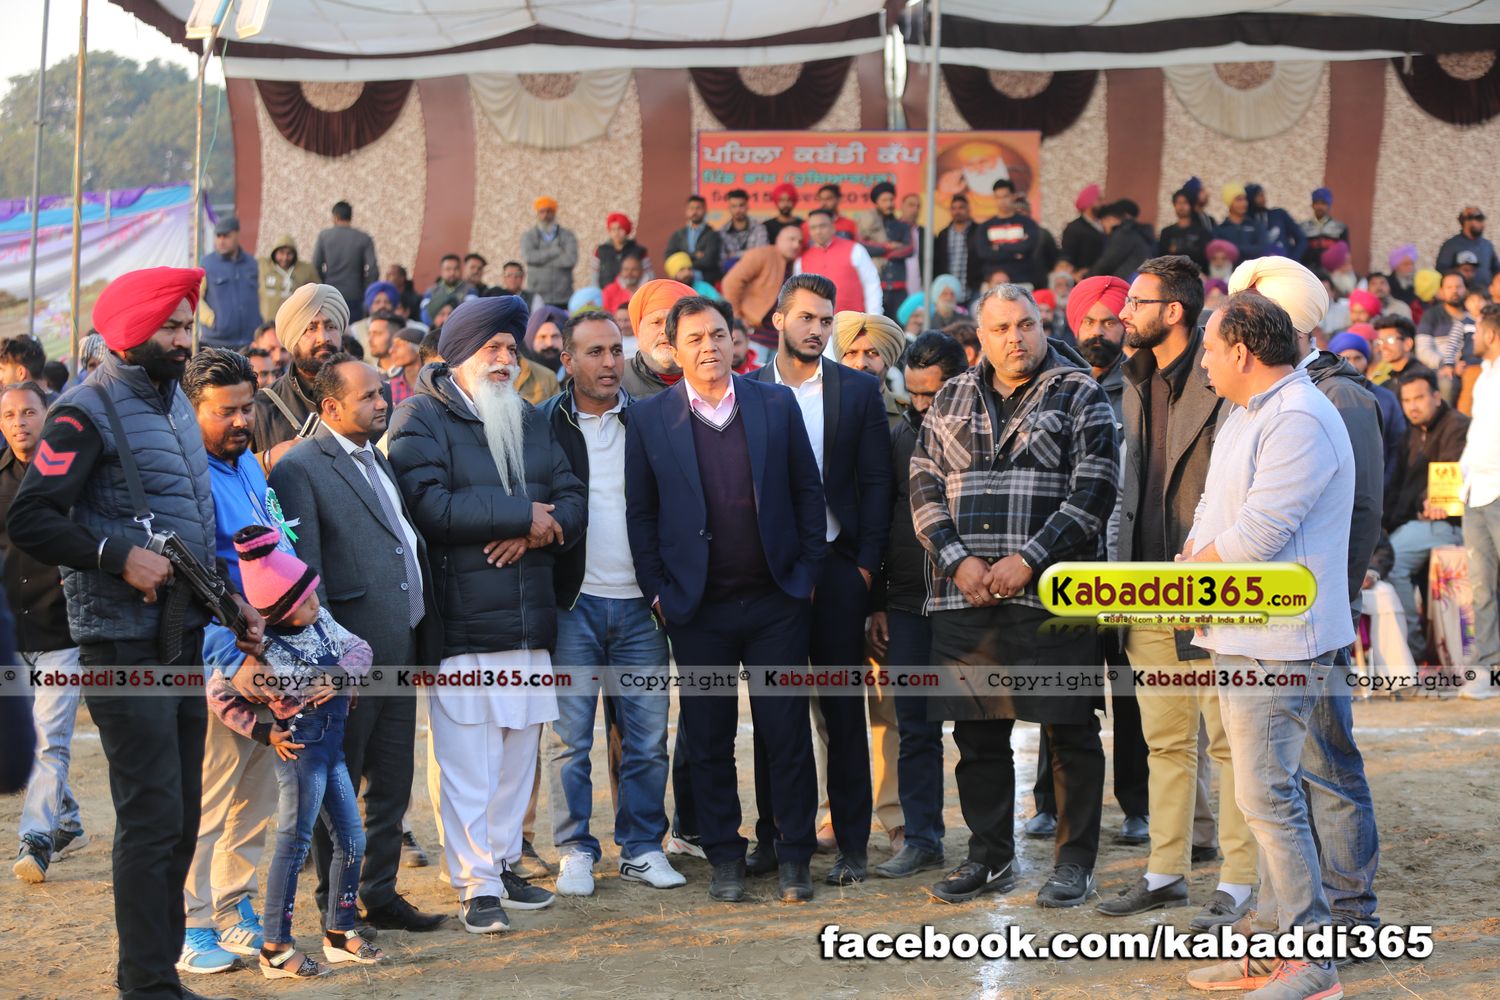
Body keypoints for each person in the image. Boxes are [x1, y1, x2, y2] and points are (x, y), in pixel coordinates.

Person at [6, 266, 266, 1000]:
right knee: (152, 818)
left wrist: (232, 604)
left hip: (179, 637)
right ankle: (146, 986)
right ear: (131, 331)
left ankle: (157, 976)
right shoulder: (82, 411)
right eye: (171, 327)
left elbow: (188, 529)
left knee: (178, 819)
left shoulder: (176, 404)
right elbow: (31, 517)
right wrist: (115, 555)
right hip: (120, 643)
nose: (185, 340)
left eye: (189, 326)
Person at [911, 284, 1118, 908]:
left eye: (1025, 324)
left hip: (1053, 598)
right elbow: (922, 488)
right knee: (977, 738)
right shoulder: (950, 396)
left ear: (1042, 325)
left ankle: (1073, 863)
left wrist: (1028, 560)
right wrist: (958, 561)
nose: (1015, 338)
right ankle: (989, 857)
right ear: (981, 336)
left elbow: (1095, 490)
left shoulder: (1079, 392)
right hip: (965, 598)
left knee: (1069, 733)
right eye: (1001, 328)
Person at [387, 296, 587, 932]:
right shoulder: (420, 416)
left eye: (510, 349)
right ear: (458, 356)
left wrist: (534, 531)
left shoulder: (528, 417)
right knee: (469, 763)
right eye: (491, 349)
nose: (504, 360)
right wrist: (523, 516)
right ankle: (475, 885)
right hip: (463, 624)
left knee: (516, 759)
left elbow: (573, 499)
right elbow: (429, 506)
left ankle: (501, 865)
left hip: (528, 621)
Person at [625, 295, 826, 904]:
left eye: (717, 334)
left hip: (776, 604)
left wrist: (806, 574)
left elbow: (807, 492)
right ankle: (725, 858)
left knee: (785, 732)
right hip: (698, 612)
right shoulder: (649, 417)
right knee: (709, 738)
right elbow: (641, 514)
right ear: (673, 349)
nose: (709, 347)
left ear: (734, 340)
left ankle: (793, 855)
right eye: (695, 338)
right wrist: (660, 593)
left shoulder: (774, 403)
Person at [1182, 290, 1353, 1000]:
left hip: (1281, 640)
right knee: (1259, 795)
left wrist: (1186, 576)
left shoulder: (1299, 417)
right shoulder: (1250, 412)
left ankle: (1312, 963)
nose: (1203, 362)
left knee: (1269, 797)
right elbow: (1213, 509)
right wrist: (1191, 563)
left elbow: (1259, 536)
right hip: (1242, 631)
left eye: (1210, 349)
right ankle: (1269, 946)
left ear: (1242, 352)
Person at [1229, 256, 1386, 946]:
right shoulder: (1274, 394)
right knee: (1284, 776)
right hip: (1271, 618)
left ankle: (1349, 913)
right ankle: (1300, 914)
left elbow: (1362, 510)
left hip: (1309, 620)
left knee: (1327, 765)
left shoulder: (1337, 397)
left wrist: (1328, 612)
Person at [1099, 256, 1257, 928]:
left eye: (1136, 302)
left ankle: (1240, 882)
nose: (1123, 312)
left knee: (1230, 746)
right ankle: (1166, 873)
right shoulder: (1132, 379)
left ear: (1174, 311)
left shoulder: (1224, 378)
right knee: (1163, 743)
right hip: (1145, 587)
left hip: (1211, 589)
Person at [268, 354, 447, 935]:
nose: (382, 402)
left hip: (398, 648)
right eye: (368, 396)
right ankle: (336, 906)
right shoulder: (299, 468)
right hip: (346, 661)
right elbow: (305, 576)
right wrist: (329, 660)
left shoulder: (377, 457)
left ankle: (380, 894)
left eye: (383, 392)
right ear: (330, 406)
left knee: (391, 784)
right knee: (338, 784)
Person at [748, 275, 893, 885]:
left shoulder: (857, 390)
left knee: (842, 712)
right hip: (768, 577)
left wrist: (864, 570)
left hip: (838, 571)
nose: (816, 329)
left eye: (825, 319)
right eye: (806, 317)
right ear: (779, 320)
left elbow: (878, 485)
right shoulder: (747, 389)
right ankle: (777, 838)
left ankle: (853, 844)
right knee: (773, 713)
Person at [541, 311, 682, 896]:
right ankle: (574, 849)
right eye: (594, 352)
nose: (609, 362)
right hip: (572, 607)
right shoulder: (542, 424)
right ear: (568, 361)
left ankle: (643, 847)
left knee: (647, 739)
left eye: (616, 351)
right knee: (568, 741)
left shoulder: (653, 418)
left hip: (642, 609)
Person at [207, 526, 384, 979]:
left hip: (331, 751)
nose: (316, 605)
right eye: (305, 602)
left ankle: (339, 932)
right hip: (301, 754)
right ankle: (275, 948)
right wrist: (263, 732)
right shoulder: (260, 651)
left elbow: (360, 647)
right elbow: (220, 693)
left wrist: (342, 675)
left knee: (352, 839)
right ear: (282, 612)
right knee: (294, 843)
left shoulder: (322, 624)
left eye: (314, 596)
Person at [176, 350, 292, 975]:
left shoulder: (246, 461)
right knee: (208, 800)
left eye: (248, 407)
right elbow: (196, 580)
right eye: (226, 412)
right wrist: (232, 658)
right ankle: (188, 923)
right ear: (192, 410)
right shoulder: (187, 476)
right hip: (223, 659)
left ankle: (232, 905)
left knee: (256, 794)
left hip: (270, 652)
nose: (242, 420)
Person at [1052, 275, 1151, 848]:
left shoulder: (1142, 387)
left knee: (1131, 691)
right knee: (1063, 688)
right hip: (1067, 560)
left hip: (1127, 562)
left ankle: (1137, 806)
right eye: (1089, 321)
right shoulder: (1055, 385)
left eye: (1110, 321)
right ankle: (1050, 803)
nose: (1098, 331)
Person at [867, 332, 966, 879]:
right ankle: (923, 838)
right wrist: (878, 603)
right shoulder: (898, 437)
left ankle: (989, 845)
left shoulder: (982, 432)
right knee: (914, 727)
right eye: (915, 395)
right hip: (907, 605)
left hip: (969, 604)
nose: (923, 405)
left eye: (934, 394)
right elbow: (881, 523)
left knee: (978, 729)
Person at [3, 382, 86, 886]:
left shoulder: (71, 473)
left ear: (46, 414)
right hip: (12, 633)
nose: (19, 423)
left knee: (49, 739)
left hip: (62, 630)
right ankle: (67, 818)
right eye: (10, 414)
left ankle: (36, 839)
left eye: (28, 412)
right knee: (30, 738)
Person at [1384, 371, 1470, 661]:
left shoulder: (1456, 426)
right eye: (1406, 400)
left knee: (1391, 561)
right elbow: (1394, 487)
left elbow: (1447, 484)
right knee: (1380, 553)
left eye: (1419, 398)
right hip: (1413, 524)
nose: (1413, 406)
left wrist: (1425, 504)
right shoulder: (1408, 434)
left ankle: (1413, 651)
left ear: (1436, 396)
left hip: (1447, 523)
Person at [252, 283, 350, 465]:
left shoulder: (373, 396)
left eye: (331, 327)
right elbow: (231, 470)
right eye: (311, 328)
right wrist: (267, 460)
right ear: (293, 338)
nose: (323, 338)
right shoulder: (262, 406)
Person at [1461, 304, 1500, 694]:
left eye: (1476, 331)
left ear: (1490, 334)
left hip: (1499, 489)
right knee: (1482, 586)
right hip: (1476, 492)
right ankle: (1488, 666)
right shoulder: (1484, 376)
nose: (1471, 337)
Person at [723, 225, 805, 344]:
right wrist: (737, 316)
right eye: (791, 239)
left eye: (800, 242)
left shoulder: (795, 264)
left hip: (780, 337)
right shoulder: (761, 254)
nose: (796, 245)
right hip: (755, 333)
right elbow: (730, 283)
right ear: (778, 239)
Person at [796, 209, 881, 317]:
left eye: (822, 226)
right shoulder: (802, 259)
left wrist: (874, 317)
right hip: (817, 323)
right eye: (813, 228)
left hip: (854, 321)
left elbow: (871, 284)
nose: (818, 231)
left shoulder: (855, 249)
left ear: (833, 227)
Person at [199, 217, 263, 350]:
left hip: (249, 341)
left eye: (226, 236)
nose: (221, 241)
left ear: (237, 234)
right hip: (216, 343)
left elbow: (262, 295)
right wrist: (211, 320)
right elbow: (195, 298)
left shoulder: (252, 263)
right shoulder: (206, 264)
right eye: (218, 236)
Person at [622, 280, 693, 398]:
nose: (666, 331)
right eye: (656, 322)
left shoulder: (716, 378)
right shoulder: (616, 380)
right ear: (638, 330)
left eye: (675, 322)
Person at [833, 311, 906, 425]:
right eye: (851, 353)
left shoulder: (908, 415)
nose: (861, 363)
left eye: (872, 353)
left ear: (888, 359)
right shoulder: (820, 409)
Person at [313, 202, 379, 321]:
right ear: (350, 216)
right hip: (355, 294)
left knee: (331, 327)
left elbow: (316, 266)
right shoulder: (364, 238)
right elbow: (373, 270)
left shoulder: (324, 236)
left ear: (335, 217)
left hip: (330, 294)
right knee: (354, 330)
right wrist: (366, 290)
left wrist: (324, 283)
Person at [970, 179, 1043, 288]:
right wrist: (1015, 253)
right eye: (998, 197)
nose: (1002, 201)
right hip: (992, 283)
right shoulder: (985, 227)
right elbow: (983, 253)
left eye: (1005, 196)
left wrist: (999, 247)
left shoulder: (1027, 223)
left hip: (1021, 282)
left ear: (1013, 196)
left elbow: (1028, 247)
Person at [858, 183, 915, 320]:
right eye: (884, 200)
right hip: (876, 288)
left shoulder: (902, 226)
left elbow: (909, 250)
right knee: (876, 327)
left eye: (891, 200)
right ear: (876, 202)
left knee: (900, 326)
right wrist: (889, 247)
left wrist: (879, 250)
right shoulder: (868, 225)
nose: (889, 204)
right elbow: (863, 248)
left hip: (899, 290)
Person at [522, 196, 580, 308]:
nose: (545, 215)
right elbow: (529, 257)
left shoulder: (567, 235)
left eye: (549, 211)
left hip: (563, 296)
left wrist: (540, 261)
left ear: (554, 213)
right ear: (537, 214)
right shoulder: (529, 236)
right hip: (537, 296)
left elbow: (571, 260)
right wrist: (556, 251)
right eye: (542, 211)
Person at [258, 233, 318, 324]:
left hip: (291, 322)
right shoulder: (263, 266)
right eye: (281, 253)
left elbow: (317, 293)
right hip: (265, 322)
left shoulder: (306, 270)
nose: (285, 257)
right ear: (274, 252)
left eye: (289, 253)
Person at [1436, 205, 1500, 291]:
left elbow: (1496, 269)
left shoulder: (1487, 245)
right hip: (1462, 295)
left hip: (1486, 294)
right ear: (1465, 221)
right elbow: (1441, 270)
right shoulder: (1451, 245)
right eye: (1478, 218)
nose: (1482, 222)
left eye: (1482, 219)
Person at [665, 195, 723, 285]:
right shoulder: (678, 235)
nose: (694, 212)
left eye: (698, 208)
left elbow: (709, 260)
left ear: (705, 210)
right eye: (691, 208)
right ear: (686, 211)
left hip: (705, 280)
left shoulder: (712, 235)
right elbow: (669, 257)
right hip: (681, 280)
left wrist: (683, 264)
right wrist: (694, 255)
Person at [1092, 201, 1155, 281]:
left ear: (1110, 219)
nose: (1103, 227)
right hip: (1139, 279)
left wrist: (1087, 278)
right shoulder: (1133, 231)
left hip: (1131, 281)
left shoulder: (1124, 233)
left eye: (1102, 222)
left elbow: (1109, 261)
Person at [934, 194, 979, 301]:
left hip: (972, 290)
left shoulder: (978, 231)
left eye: (961, 208)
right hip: (948, 292)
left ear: (968, 210)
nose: (957, 211)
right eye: (954, 208)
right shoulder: (943, 234)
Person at [1369, 314, 1434, 387]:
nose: (1382, 347)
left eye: (1390, 340)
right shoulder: (1388, 382)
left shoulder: (1421, 378)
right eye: (1380, 341)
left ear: (1408, 343)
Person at [1245, 183, 1306, 261]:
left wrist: (1293, 259)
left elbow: (1301, 238)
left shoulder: (1278, 215)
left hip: (1284, 262)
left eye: (1263, 195)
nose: (1263, 199)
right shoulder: (1246, 222)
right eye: (1258, 196)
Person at [1212, 185, 1272, 262]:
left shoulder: (1257, 226)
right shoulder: (1220, 230)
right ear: (1229, 203)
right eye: (1238, 200)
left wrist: (1233, 248)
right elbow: (1219, 255)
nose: (1244, 203)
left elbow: (1263, 249)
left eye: (1245, 199)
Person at [595, 212, 652, 290]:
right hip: (605, 294)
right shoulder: (600, 251)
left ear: (626, 229)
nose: (616, 233)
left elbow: (648, 275)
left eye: (620, 229)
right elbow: (594, 276)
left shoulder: (639, 251)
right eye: (613, 229)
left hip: (632, 293)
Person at [1157, 188, 1211, 271]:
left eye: (1185, 202)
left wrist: (1177, 250)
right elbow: (1163, 258)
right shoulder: (1166, 232)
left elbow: (1203, 257)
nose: (1181, 206)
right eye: (1178, 202)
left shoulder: (1201, 232)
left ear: (1191, 205)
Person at [717, 188, 768, 273]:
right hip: (731, 275)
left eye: (741, 205)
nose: (738, 210)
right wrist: (749, 254)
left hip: (755, 273)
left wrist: (734, 255)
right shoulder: (723, 232)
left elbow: (761, 255)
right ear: (729, 208)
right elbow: (722, 261)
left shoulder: (759, 229)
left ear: (747, 206)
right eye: (734, 206)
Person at [1060, 184, 1105, 277]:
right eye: (1099, 200)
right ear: (1089, 202)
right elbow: (1067, 255)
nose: (1103, 203)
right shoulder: (1074, 228)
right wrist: (1074, 274)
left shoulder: (1103, 225)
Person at [1300, 187, 1349, 270]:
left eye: (1323, 203)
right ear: (1312, 205)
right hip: (1308, 268)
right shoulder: (1303, 227)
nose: (1320, 207)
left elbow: (1345, 253)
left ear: (1329, 206)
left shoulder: (1340, 228)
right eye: (1317, 203)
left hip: (1332, 270)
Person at [422, 255, 477, 325]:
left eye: (456, 269)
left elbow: (471, 312)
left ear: (460, 270)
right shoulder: (431, 291)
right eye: (448, 269)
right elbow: (425, 315)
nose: (452, 273)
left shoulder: (470, 290)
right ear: (442, 271)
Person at [385, 321, 424, 407]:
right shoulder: (391, 387)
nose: (391, 350)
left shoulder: (434, 384)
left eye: (398, 345)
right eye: (392, 345)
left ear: (418, 348)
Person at [525, 305, 569, 374]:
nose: (549, 343)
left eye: (555, 336)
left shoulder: (578, 375)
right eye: (543, 337)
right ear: (531, 340)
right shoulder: (519, 375)